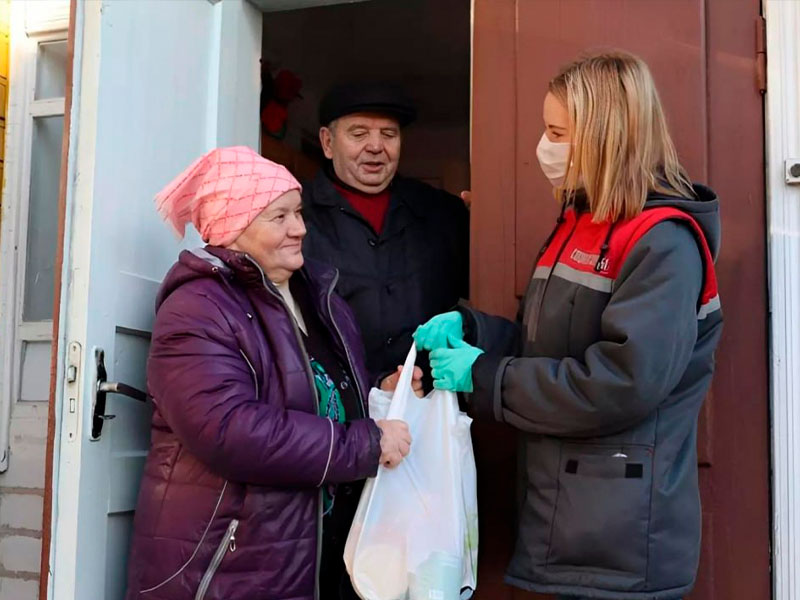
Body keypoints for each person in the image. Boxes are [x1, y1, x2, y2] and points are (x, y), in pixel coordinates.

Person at [416, 51, 722, 600]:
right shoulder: (578, 223)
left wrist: (483, 377)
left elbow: (620, 384)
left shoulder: (663, 243)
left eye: (557, 131)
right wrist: (471, 330)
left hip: (619, 540)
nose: (545, 147)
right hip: (566, 523)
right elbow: (544, 345)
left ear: (604, 135)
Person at [125, 146, 421, 600]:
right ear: (233, 224)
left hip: (312, 554)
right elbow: (230, 430)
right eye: (279, 217)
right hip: (229, 567)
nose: (300, 228)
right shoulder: (197, 309)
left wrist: (379, 392)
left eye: (299, 213)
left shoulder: (319, 299)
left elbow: (318, 394)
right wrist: (365, 443)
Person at [302, 82, 470, 388]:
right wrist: (374, 384)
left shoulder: (444, 212)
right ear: (327, 143)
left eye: (389, 134)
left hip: (433, 399)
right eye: (359, 133)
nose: (376, 146)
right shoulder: (295, 217)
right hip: (337, 412)